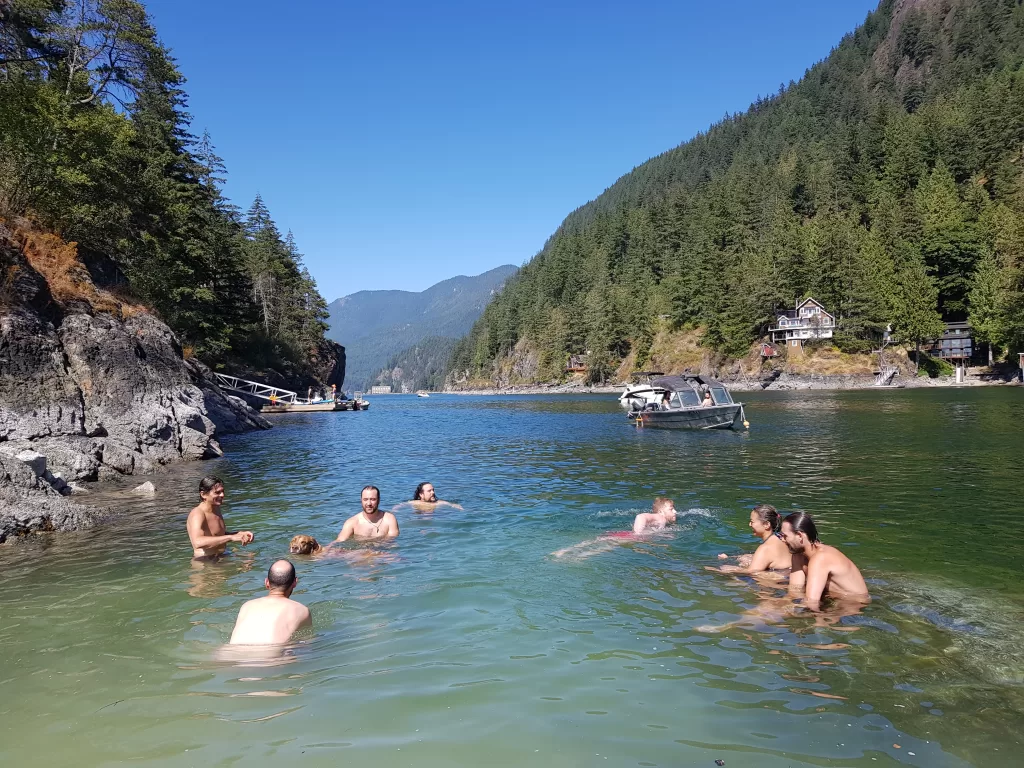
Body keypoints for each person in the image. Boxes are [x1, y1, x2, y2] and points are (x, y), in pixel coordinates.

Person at [781, 511, 870, 610]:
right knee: (770, 606)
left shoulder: (821, 558)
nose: (782, 540)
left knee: (817, 620)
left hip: (852, 604)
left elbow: (811, 602)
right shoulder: (798, 555)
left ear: (800, 536)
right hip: (831, 600)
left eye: (785, 536)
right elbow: (794, 590)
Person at [553, 498, 678, 559]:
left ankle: (563, 551)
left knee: (597, 541)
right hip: (631, 535)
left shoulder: (661, 519)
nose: (675, 512)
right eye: (671, 509)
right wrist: (638, 533)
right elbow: (641, 516)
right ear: (661, 511)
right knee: (608, 546)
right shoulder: (660, 517)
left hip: (624, 533)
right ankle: (581, 556)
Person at [228, 560, 312, 645]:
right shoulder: (301, 610)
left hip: (227, 654)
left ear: (267, 582)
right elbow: (306, 644)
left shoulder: (246, 606)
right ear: (295, 583)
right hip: (269, 655)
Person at [711, 504, 791, 574]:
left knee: (734, 580)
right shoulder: (781, 538)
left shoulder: (765, 548)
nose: (749, 524)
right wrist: (731, 557)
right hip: (786, 574)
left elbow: (752, 572)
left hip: (779, 580)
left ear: (766, 524)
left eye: (752, 522)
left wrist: (726, 569)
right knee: (745, 558)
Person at [187, 476, 254, 559]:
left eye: (223, 491)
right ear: (203, 494)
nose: (222, 495)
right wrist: (230, 537)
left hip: (222, 554)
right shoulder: (198, 514)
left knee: (252, 559)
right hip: (205, 561)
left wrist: (239, 534)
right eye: (217, 492)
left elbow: (216, 534)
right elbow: (197, 542)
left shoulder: (216, 508)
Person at [335, 485, 400, 541]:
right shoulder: (352, 522)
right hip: (359, 553)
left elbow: (391, 543)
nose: (369, 503)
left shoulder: (390, 519)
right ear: (361, 500)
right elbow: (340, 541)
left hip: (382, 552)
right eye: (365, 499)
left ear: (379, 500)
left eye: (373, 499)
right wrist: (328, 549)